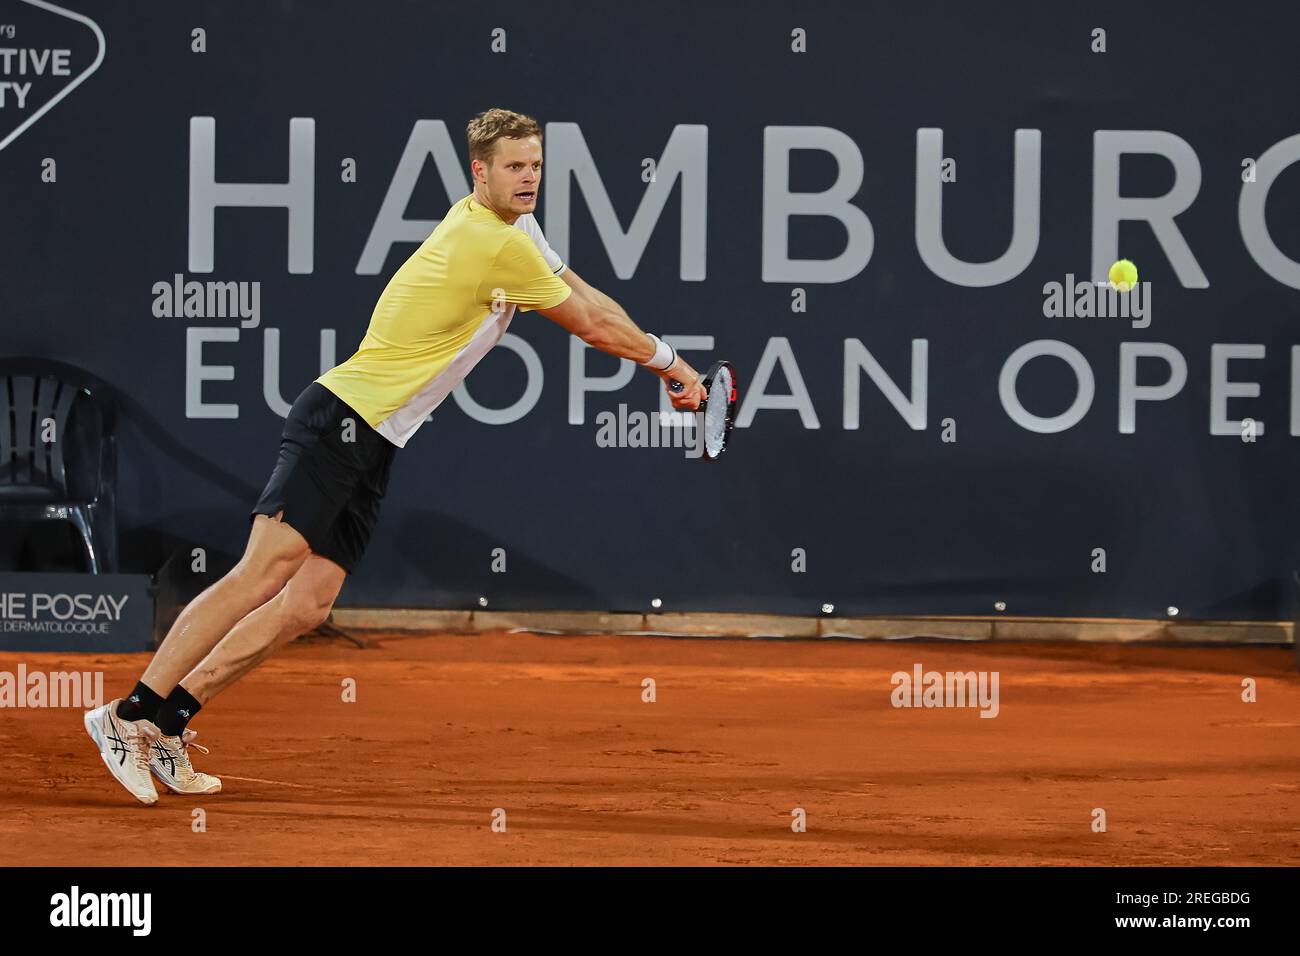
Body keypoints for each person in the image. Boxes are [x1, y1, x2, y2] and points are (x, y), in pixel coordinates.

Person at [84, 107, 707, 805]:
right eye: (514, 167)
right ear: (481, 171)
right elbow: (590, 324)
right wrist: (674, 366)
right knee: (262, 573)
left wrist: (666, 360)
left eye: (535, 165)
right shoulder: (493, 243)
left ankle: (173, 719)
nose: (529, 177)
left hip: (378, 438)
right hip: (341, 419)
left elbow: (586, 293)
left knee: (307, 606)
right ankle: (125, 714)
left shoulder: (515, 229)